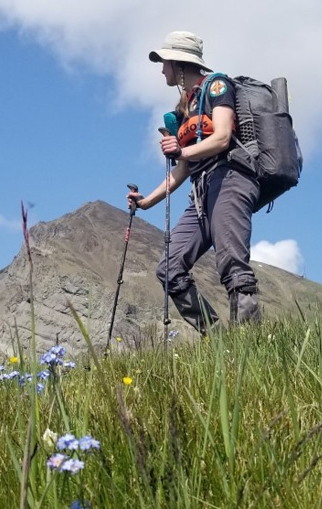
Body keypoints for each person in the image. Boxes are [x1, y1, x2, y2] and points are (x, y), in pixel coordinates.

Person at [126, 31, 262, 334]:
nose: (162, 69)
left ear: (179, 63)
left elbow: (223, 136)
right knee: (169, 269)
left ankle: (252, 346)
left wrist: (181, 149)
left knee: (232, 264)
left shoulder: (217, 85)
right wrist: (147, 201)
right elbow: (183, 170)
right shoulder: (182, 108)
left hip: (230, 178)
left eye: (165, 62)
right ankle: (217, 339)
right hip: (201, 192)